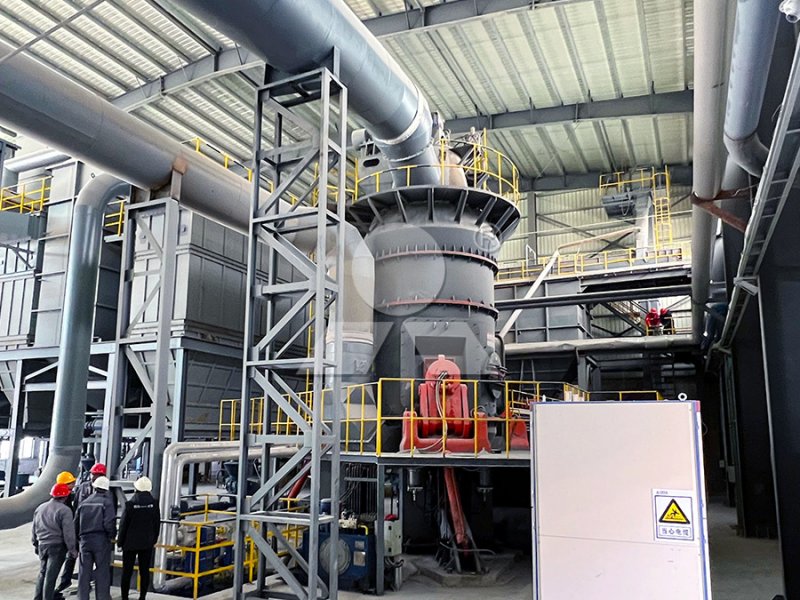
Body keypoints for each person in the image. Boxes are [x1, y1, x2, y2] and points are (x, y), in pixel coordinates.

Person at [32, 483, 77, 600]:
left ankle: (37, 598)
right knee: (50, 577)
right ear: (66, 496)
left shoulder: (40, 508)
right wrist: (72, 550)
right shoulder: (65, 510)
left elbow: (34, 528)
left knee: (42, 573)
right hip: (57, 547)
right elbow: (68, 533)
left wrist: (35, 544)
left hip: (42, 545)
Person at [118, 476, 160, 600]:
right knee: (144, 571)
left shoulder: (130, 504)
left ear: (136, 488)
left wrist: (120, 542)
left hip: (130, 543)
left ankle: (124, 597)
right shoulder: (154, 504)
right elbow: (156, 524)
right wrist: (154, 540)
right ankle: (142, 597)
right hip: (147, 543)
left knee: (127, 572)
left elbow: (123, 525)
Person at [74, 476, 116, 600]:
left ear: (95, 487)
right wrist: (111, 536)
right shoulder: (107, 503)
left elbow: (75, 523)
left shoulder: (84, 503)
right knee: (102, 571)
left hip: (84, 541)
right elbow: (109, 523)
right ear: (106, 489)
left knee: (84, 573)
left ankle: (82, 597)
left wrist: (79, 539)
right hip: (100, 540)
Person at [54, 471, 78, 597]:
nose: (73, 485)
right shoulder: (62, 502)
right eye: (71, 483)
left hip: (67, 534)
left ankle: (65, 581)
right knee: (56, 565)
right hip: (62, 537)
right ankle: (55, 591)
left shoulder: (66, 498)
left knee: (70, 559)